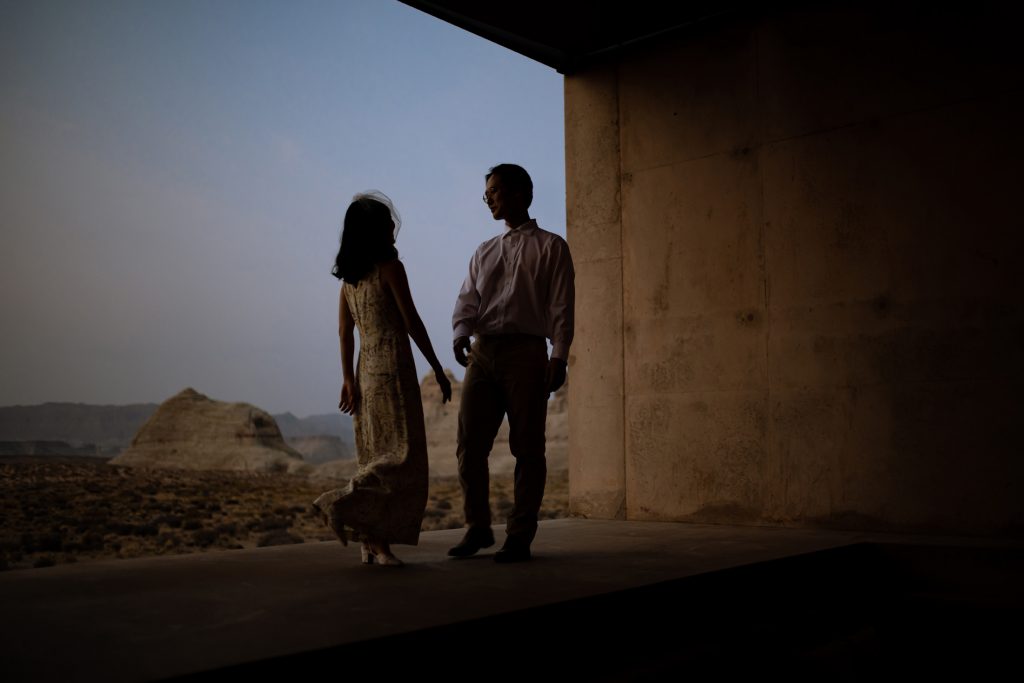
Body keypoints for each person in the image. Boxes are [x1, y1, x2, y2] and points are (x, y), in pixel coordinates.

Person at [314, 191, 451, 567]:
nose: (394, 226)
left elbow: (345, 333)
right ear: (376, 229)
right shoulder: (391, 268)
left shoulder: (349, 280)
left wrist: (347, 378)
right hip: (392, 368)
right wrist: (437, 368)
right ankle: (338, 504)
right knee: (402, 456)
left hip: (364, 371)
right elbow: (412, 321)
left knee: (375, 453)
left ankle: (371, 541)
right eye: (388, 221)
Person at [448, 164, 575, 563]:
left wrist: (559, 355)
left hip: (527, 352)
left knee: (528, 447)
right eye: (486, 193)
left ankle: (519, 535)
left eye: (495, 191)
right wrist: (459, 333)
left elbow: (560, 307)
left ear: (520, 192)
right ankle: (478, 528)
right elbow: (468, 298)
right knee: (469, 445)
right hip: (483, 352)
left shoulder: (552, 246)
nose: (489, 198)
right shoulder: (484, 250)